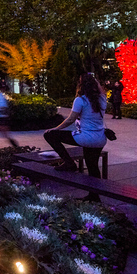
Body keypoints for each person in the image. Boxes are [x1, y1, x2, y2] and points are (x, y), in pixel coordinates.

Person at [44, 73, 108, 202]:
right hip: (100, 138)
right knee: (93, 167)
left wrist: (56, 128)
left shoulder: (81, 100)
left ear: (81, 85)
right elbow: (100, 91)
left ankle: (69, 162)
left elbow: (71, 120)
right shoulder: (102, 98)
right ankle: (94, 197)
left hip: (85, 137)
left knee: (50, 135)